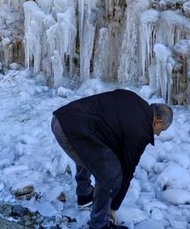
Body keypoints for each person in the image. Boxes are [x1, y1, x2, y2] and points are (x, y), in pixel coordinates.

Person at [51, 89, 173, 229]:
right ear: (157, 122)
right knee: (111, 175)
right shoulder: (141, 132)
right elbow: (127, 170)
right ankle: (100, 224)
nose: (158, 135)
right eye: (161, 130)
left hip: (63, 117)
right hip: (69, 132)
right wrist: (113, 208)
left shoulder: (135, 100)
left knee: (91, 153)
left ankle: (84, 195)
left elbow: (108, 120)